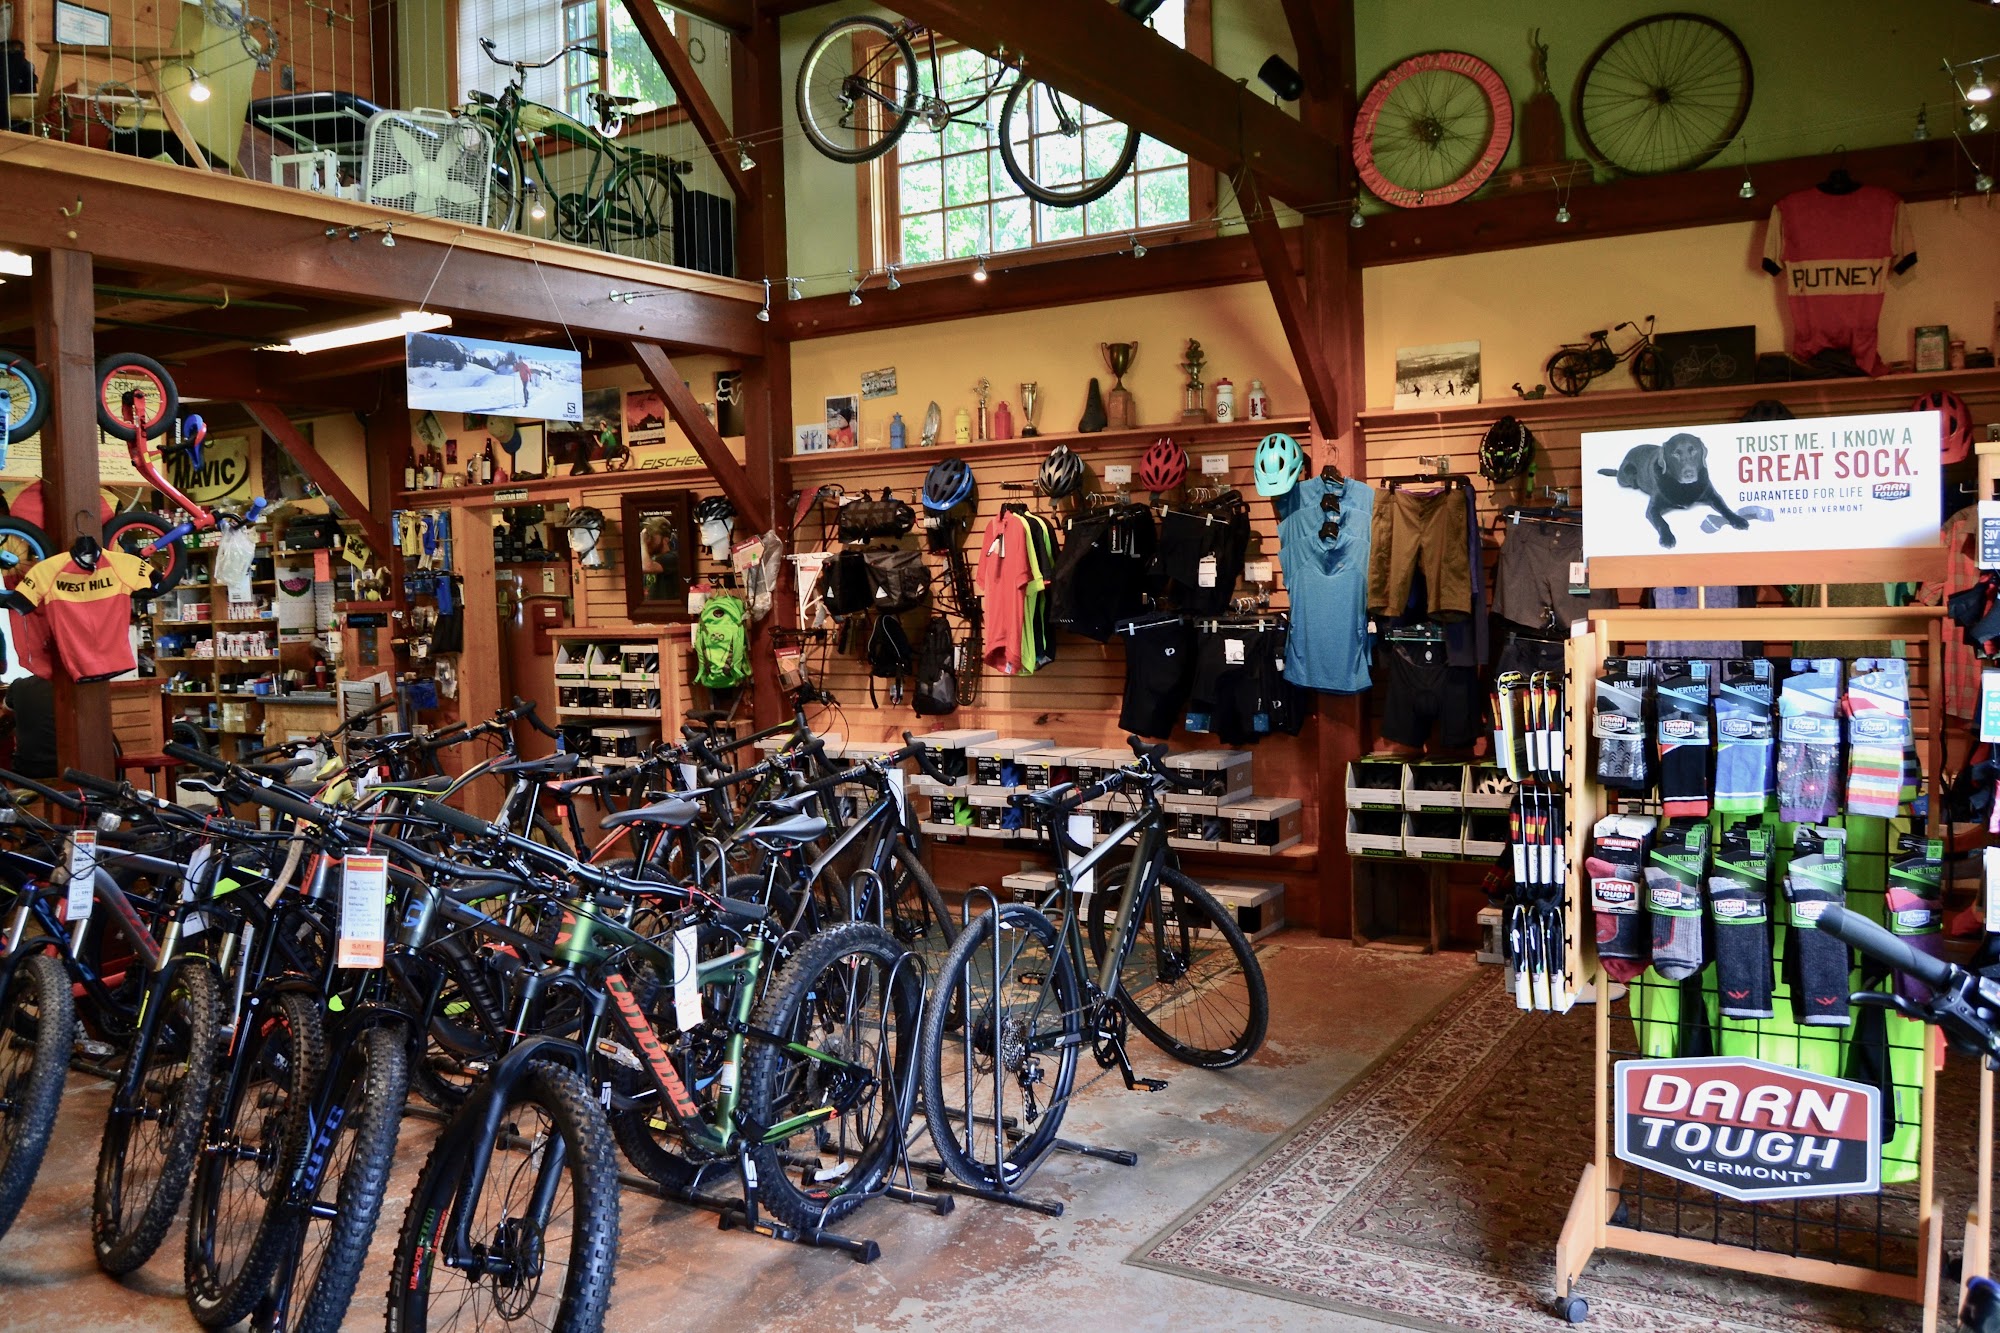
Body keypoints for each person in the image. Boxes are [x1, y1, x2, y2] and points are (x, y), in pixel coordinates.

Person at [1, 675, 56, 778]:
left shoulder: (18, 685)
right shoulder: (78, 684)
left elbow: (6, 710)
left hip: (27, 772)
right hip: (71, 771)